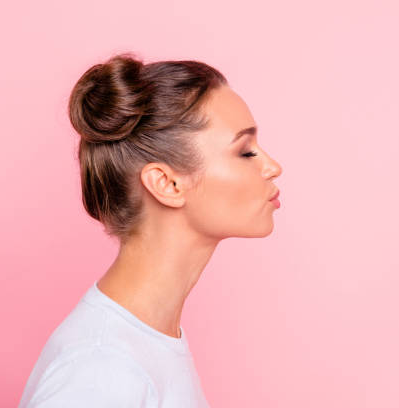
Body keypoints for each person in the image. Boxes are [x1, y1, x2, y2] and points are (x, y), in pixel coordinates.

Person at [17, 52, 283, 408]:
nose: (273, 167)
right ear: (167, 184)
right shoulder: (102, 371)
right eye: (246, 152)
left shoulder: (144, 346)